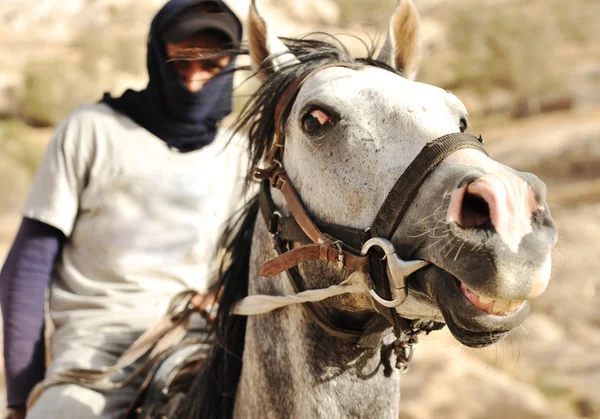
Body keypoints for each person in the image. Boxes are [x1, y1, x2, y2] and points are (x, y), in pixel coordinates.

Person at [0, 1, 244, 417]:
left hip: (195, 347)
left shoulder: (237, 154)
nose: (193, 82)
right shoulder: (91, 131)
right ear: (156, 54)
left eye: (211, 67)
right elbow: (26, 269)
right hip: (95, 358)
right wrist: (22, 398)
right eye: (180, 63)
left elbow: (259, 262)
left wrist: (226, 291)